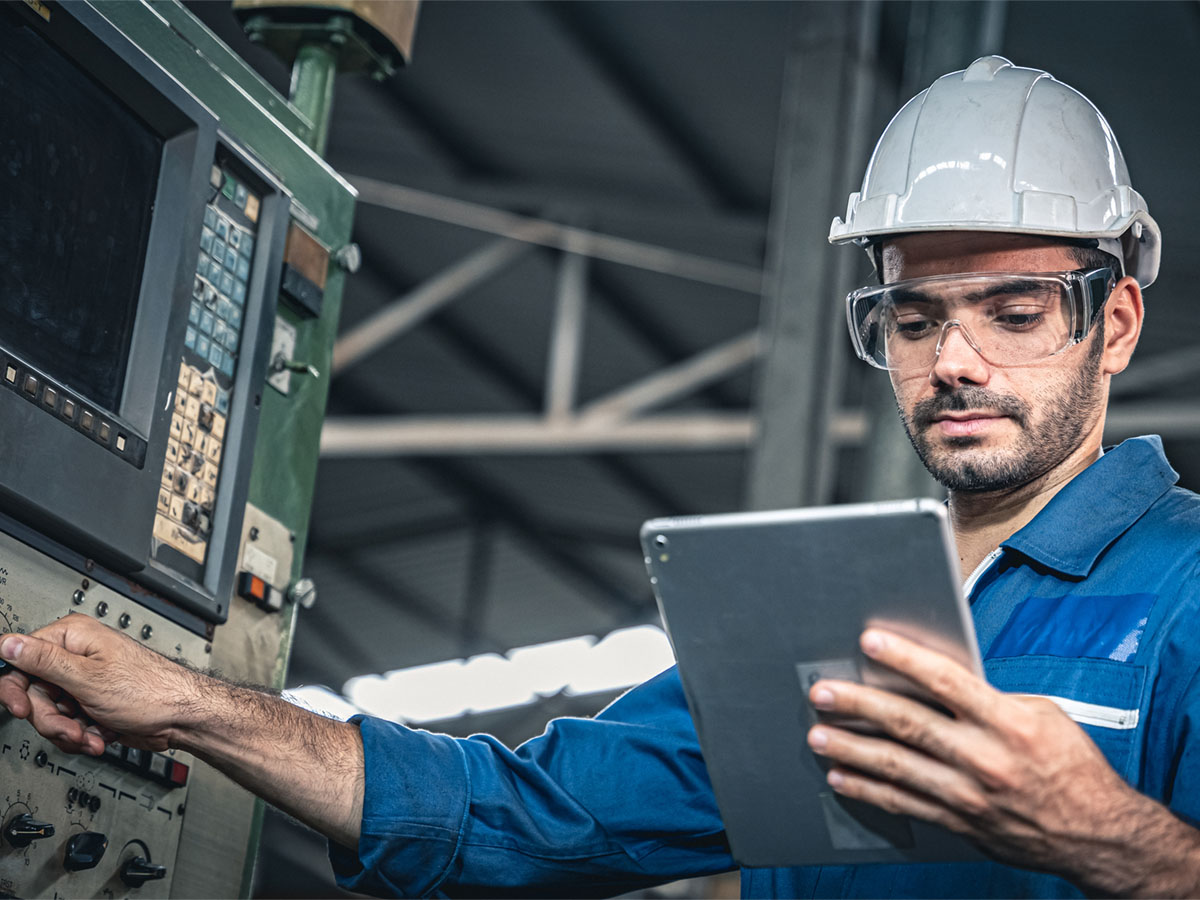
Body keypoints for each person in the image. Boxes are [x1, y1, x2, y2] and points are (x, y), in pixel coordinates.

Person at [3, 56, 1200, 898]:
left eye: (1016, 311)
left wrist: (1117, 840)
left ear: (1118, 322)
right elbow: (520, 813)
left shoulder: (1187, 592)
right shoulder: (827, 613)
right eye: (914, 318)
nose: (957, 361)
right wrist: (191, 705)